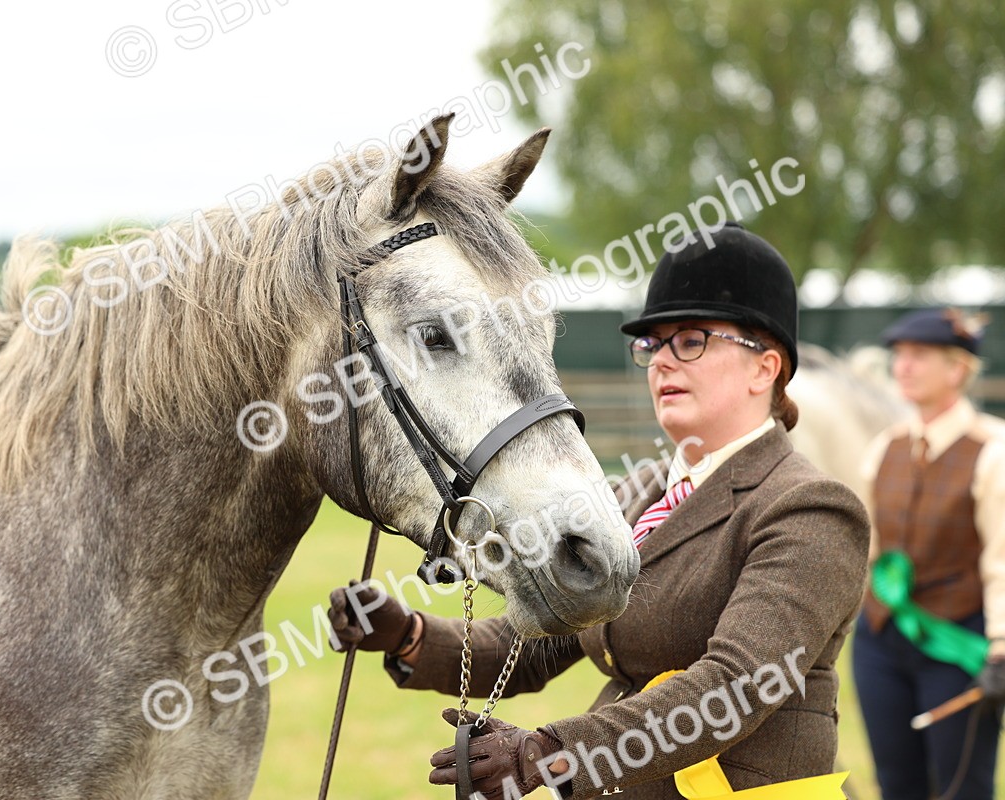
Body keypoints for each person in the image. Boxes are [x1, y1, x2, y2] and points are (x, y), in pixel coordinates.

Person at [328, 221, 871, 799]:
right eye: (652, 344)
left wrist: (550, 753)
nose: (662, 361)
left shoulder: (811, 510)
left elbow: (735, 688)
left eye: (690, 341)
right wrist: (409, 635)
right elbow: (536, 647)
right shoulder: (635, 496)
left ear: (766, 367)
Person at [853, 308, 1005, 800]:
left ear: (957, 369)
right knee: (897, 785)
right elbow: (869, 549)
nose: (904, 366)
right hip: (880, 641)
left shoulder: (993, 450)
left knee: (962, 787)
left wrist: (1001, 647)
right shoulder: (885, 448)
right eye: (899, 356)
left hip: (957, 641)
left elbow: (1001, 558)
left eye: (919, 356)